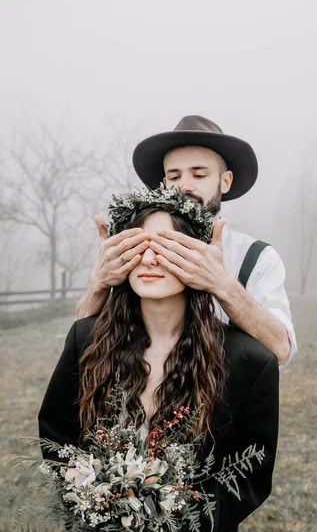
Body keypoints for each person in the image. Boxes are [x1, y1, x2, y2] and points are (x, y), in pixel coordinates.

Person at [38, 187, 279, 532]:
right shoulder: (86, 340)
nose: (149, 259)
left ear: (196, 256)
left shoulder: (247, 361)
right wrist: (93, 503)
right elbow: (56, 434)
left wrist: (182, 529)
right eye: (139, 245)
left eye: (167, 246)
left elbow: (251, 473)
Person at [75, 115, 297, 368]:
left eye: (199, 175)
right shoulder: (136, 249)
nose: (185, 187)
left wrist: (222, 285)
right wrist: (98, 284)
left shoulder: (257, 258)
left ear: (225, 181)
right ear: (163, 184)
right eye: (175, 176)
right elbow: (82, 343)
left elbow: (280, 350)